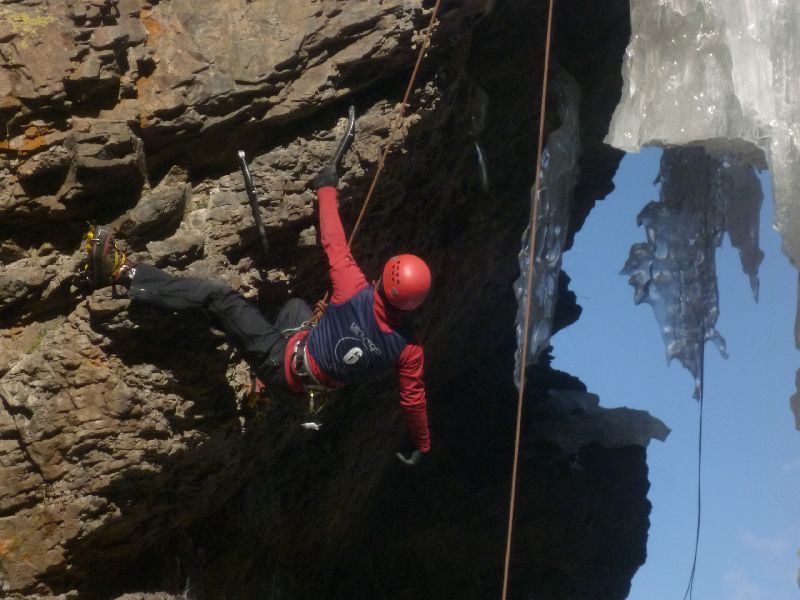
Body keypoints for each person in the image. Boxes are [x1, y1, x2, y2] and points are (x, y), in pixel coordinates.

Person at [80, 165, 432, 465]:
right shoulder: (408, 350)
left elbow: (333, 240)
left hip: (278, 360)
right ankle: (259, 392)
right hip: (304, 394)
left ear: (385, 279)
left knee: (218, 298)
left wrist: (326, 187)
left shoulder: (354, 288)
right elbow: (413, 400)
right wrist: (421, 444)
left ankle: (121, 272)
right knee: (296, 308)